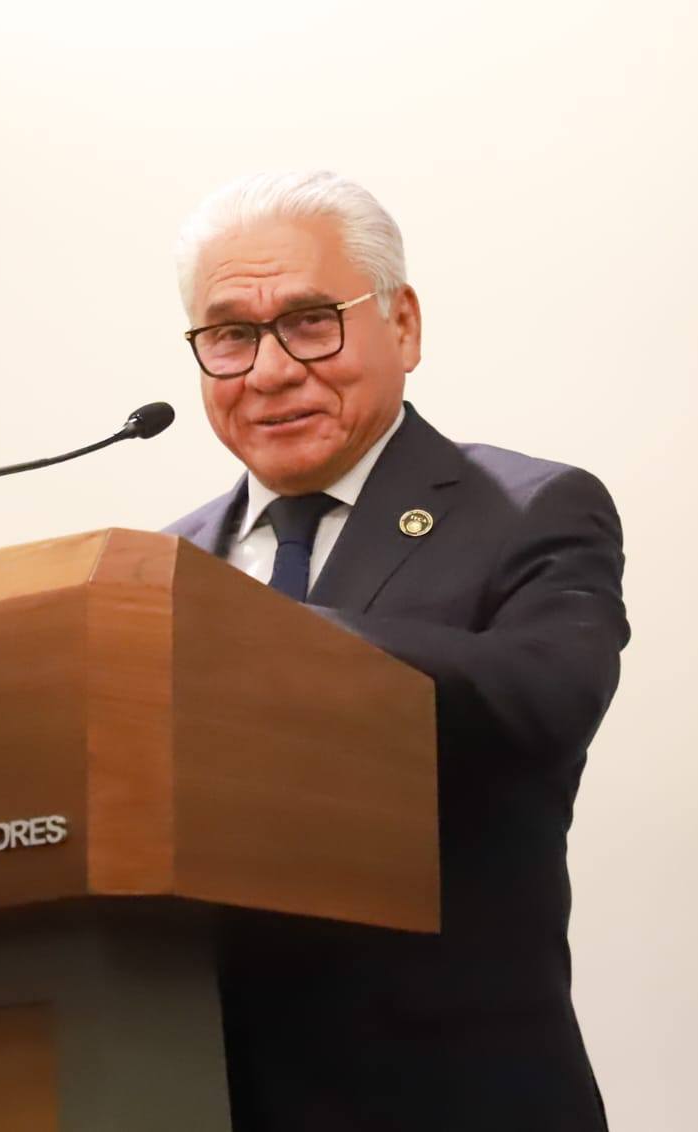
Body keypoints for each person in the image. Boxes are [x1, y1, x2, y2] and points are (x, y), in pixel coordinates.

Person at [166, 171, 630, 1131]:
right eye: (232, 335)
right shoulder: (162, 572)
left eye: (310, 322)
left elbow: (545, 700)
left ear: (403, 325)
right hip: (202, 1096)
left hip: (452, 1095)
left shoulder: (528, 510)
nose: (269, 371)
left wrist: (265, 641)